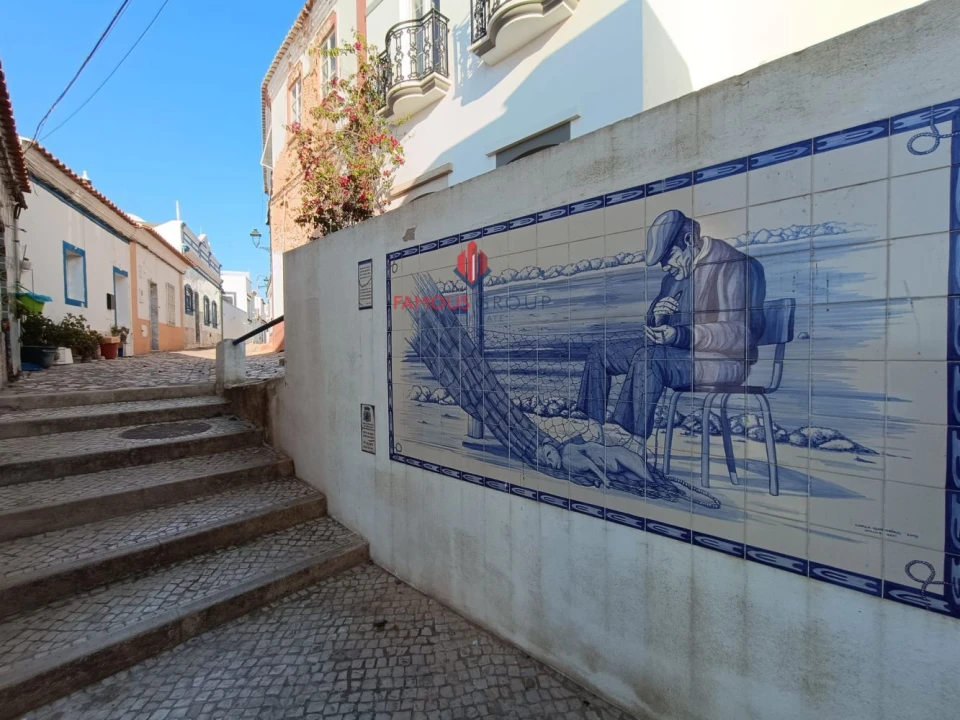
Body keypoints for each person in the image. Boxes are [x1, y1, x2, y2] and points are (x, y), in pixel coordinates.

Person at [574, 209, 766, 450]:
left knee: (649, 359)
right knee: (601, 351)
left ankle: (632, 446)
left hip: (726, 362)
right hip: (681, 354)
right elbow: (661, 324)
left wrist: (681, 335)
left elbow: (740, 334)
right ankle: (596, 435)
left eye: (668, 256)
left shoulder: (734, 265)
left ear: (688, 241)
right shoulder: (675, 274)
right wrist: (657, 317)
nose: (665, 266)